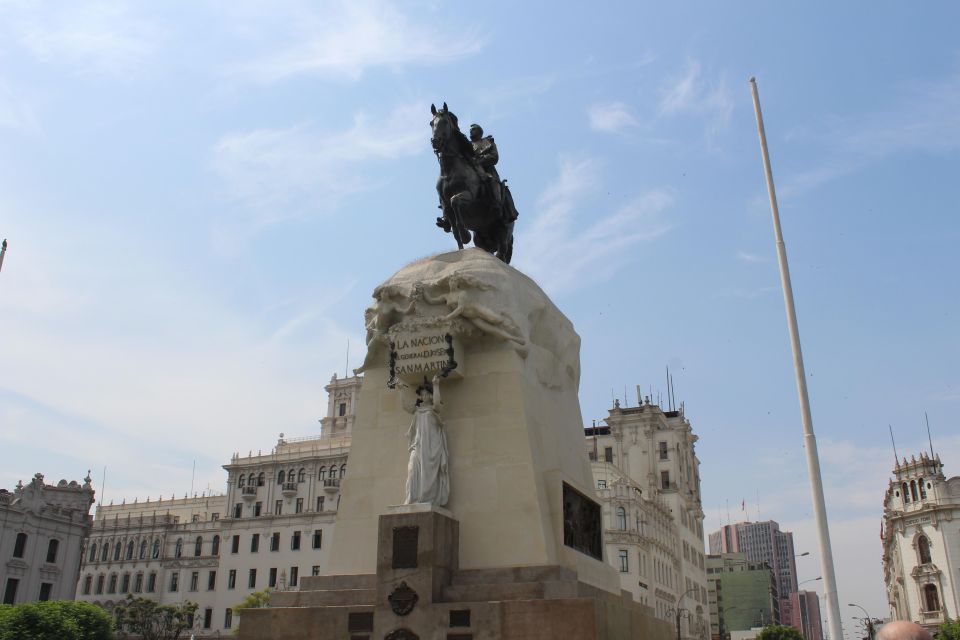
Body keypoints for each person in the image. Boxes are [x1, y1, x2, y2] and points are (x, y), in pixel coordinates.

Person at [403, 374, 449, 506]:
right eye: (422, 394)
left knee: (429, 475)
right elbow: (406, 407)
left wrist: (436, 386)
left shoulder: (433, 410)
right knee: (412, 471)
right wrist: (401, 390)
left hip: (431, 447)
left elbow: (437, 405)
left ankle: (428, 499)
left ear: (430, 395)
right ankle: (412, 499)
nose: (424, 397)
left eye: (426, 394)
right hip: (417, 446)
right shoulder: (418, 411)